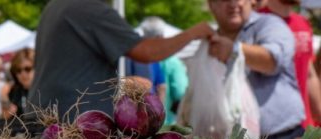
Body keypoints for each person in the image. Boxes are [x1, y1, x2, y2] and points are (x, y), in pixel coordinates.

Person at [29, 0, 213, 122]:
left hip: (48, 119)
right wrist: (192, 33)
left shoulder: (56, 5)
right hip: (74, 127)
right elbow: (147, 51)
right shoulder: (90, 10)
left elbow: (73, 67)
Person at [207, 0, 304, 139]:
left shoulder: (270, 24)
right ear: (211, 4)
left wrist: (234, 50)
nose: (232, 4)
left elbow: (273, 60)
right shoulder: (208, 41)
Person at [256, 0, 321, 127]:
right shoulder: (257, 23)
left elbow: (308, 75)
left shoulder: (303, 23)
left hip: (304, 128)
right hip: (269, 132)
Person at [142, 17, 190, 125]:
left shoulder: (134, 57)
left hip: (137, 122)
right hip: (165, 123)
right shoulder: (172, 61)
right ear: (161, 36)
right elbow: (181, 91)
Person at [2, 48, 35, 121]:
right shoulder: (14, 91)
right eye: (18, 70)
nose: (23, 74)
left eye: (27, 69)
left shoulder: (45, 91)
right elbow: (4, 118)